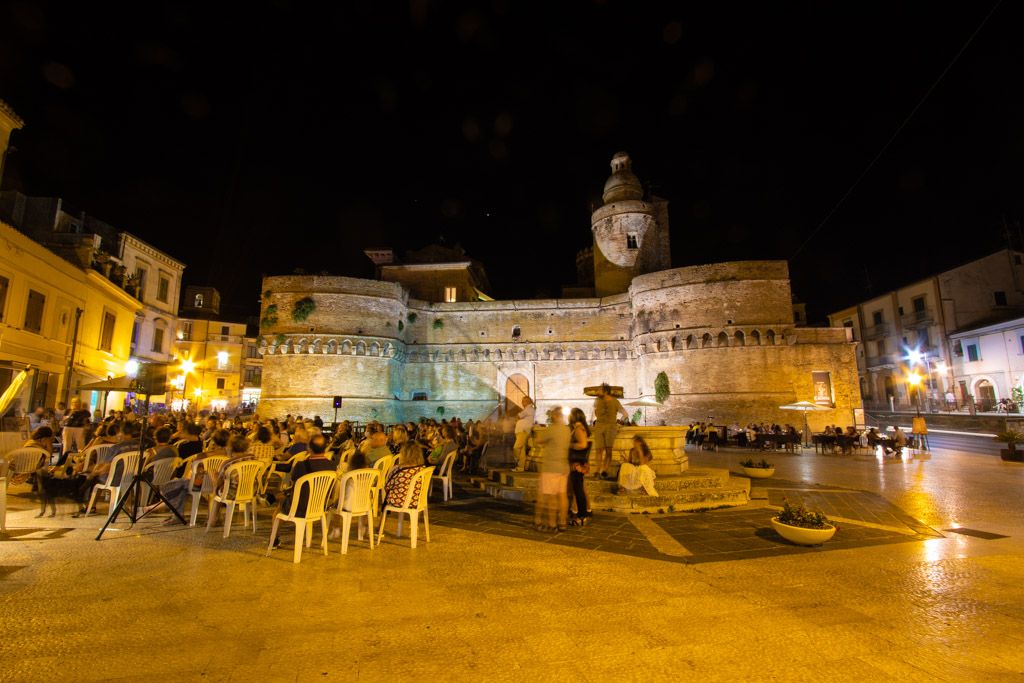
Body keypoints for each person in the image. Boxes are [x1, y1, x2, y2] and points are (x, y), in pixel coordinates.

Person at [534, 406, 570, 532]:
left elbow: (540, 440)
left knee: (551, 496)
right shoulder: (566, 430)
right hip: (564, 467)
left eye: (553, 415)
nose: (551, 417)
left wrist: (539, 440)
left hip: (551, 467)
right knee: (563, 496)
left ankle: (552, 523)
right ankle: (563, 522)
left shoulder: (551, 429)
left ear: (557, 416)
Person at [592, 383, 629, 479]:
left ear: (606, 391)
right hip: (600, 426)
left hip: (608, 427)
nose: (597, 391)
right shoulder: (598, 401)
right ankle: (597, 471)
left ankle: (604, 470)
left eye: (600, 390)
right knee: (599, 449)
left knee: (607, 450)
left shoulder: (615, 402)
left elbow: (625, 414)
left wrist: (619, 422)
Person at [382, 441, 430, 510]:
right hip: (417, 500)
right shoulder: (423, 469)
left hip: (400, 501)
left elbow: (387, 486)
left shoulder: (398, 469)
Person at [567, 407, 592, 526]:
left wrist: (569, 445)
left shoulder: (578, 429)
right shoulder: (580, 427)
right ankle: (583, 513)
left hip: (577, 464)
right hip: (578, 463)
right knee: (578, 489)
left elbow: (582, 445)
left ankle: (582, 516)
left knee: (578, 490)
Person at [511, 396, 535, 473]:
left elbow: (518, 416)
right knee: (521, 451)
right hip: (520, 431)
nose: (522, 402)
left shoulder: (529, 409)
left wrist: (517, 419)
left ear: (528, 401)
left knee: (516, 447)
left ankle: (515, 460)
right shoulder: (528, 409)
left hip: (523, 431)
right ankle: (520, 467)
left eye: (523, 401)